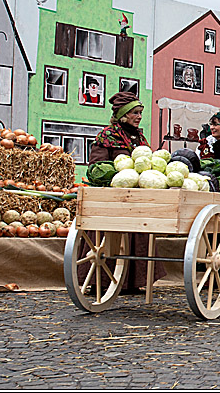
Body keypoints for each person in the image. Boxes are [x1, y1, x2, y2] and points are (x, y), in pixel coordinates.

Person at [88, 92, 164, 293]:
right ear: (123, 115)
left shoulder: (139, 136)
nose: (139, 117)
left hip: (137, 197)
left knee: (137, 236)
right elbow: (97, 165)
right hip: (113, 198)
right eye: (135, 113)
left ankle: (132, 282)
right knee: (110, 236)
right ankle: (102, 281)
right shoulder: (107, 136)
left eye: (140, 113)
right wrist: (117, 174)